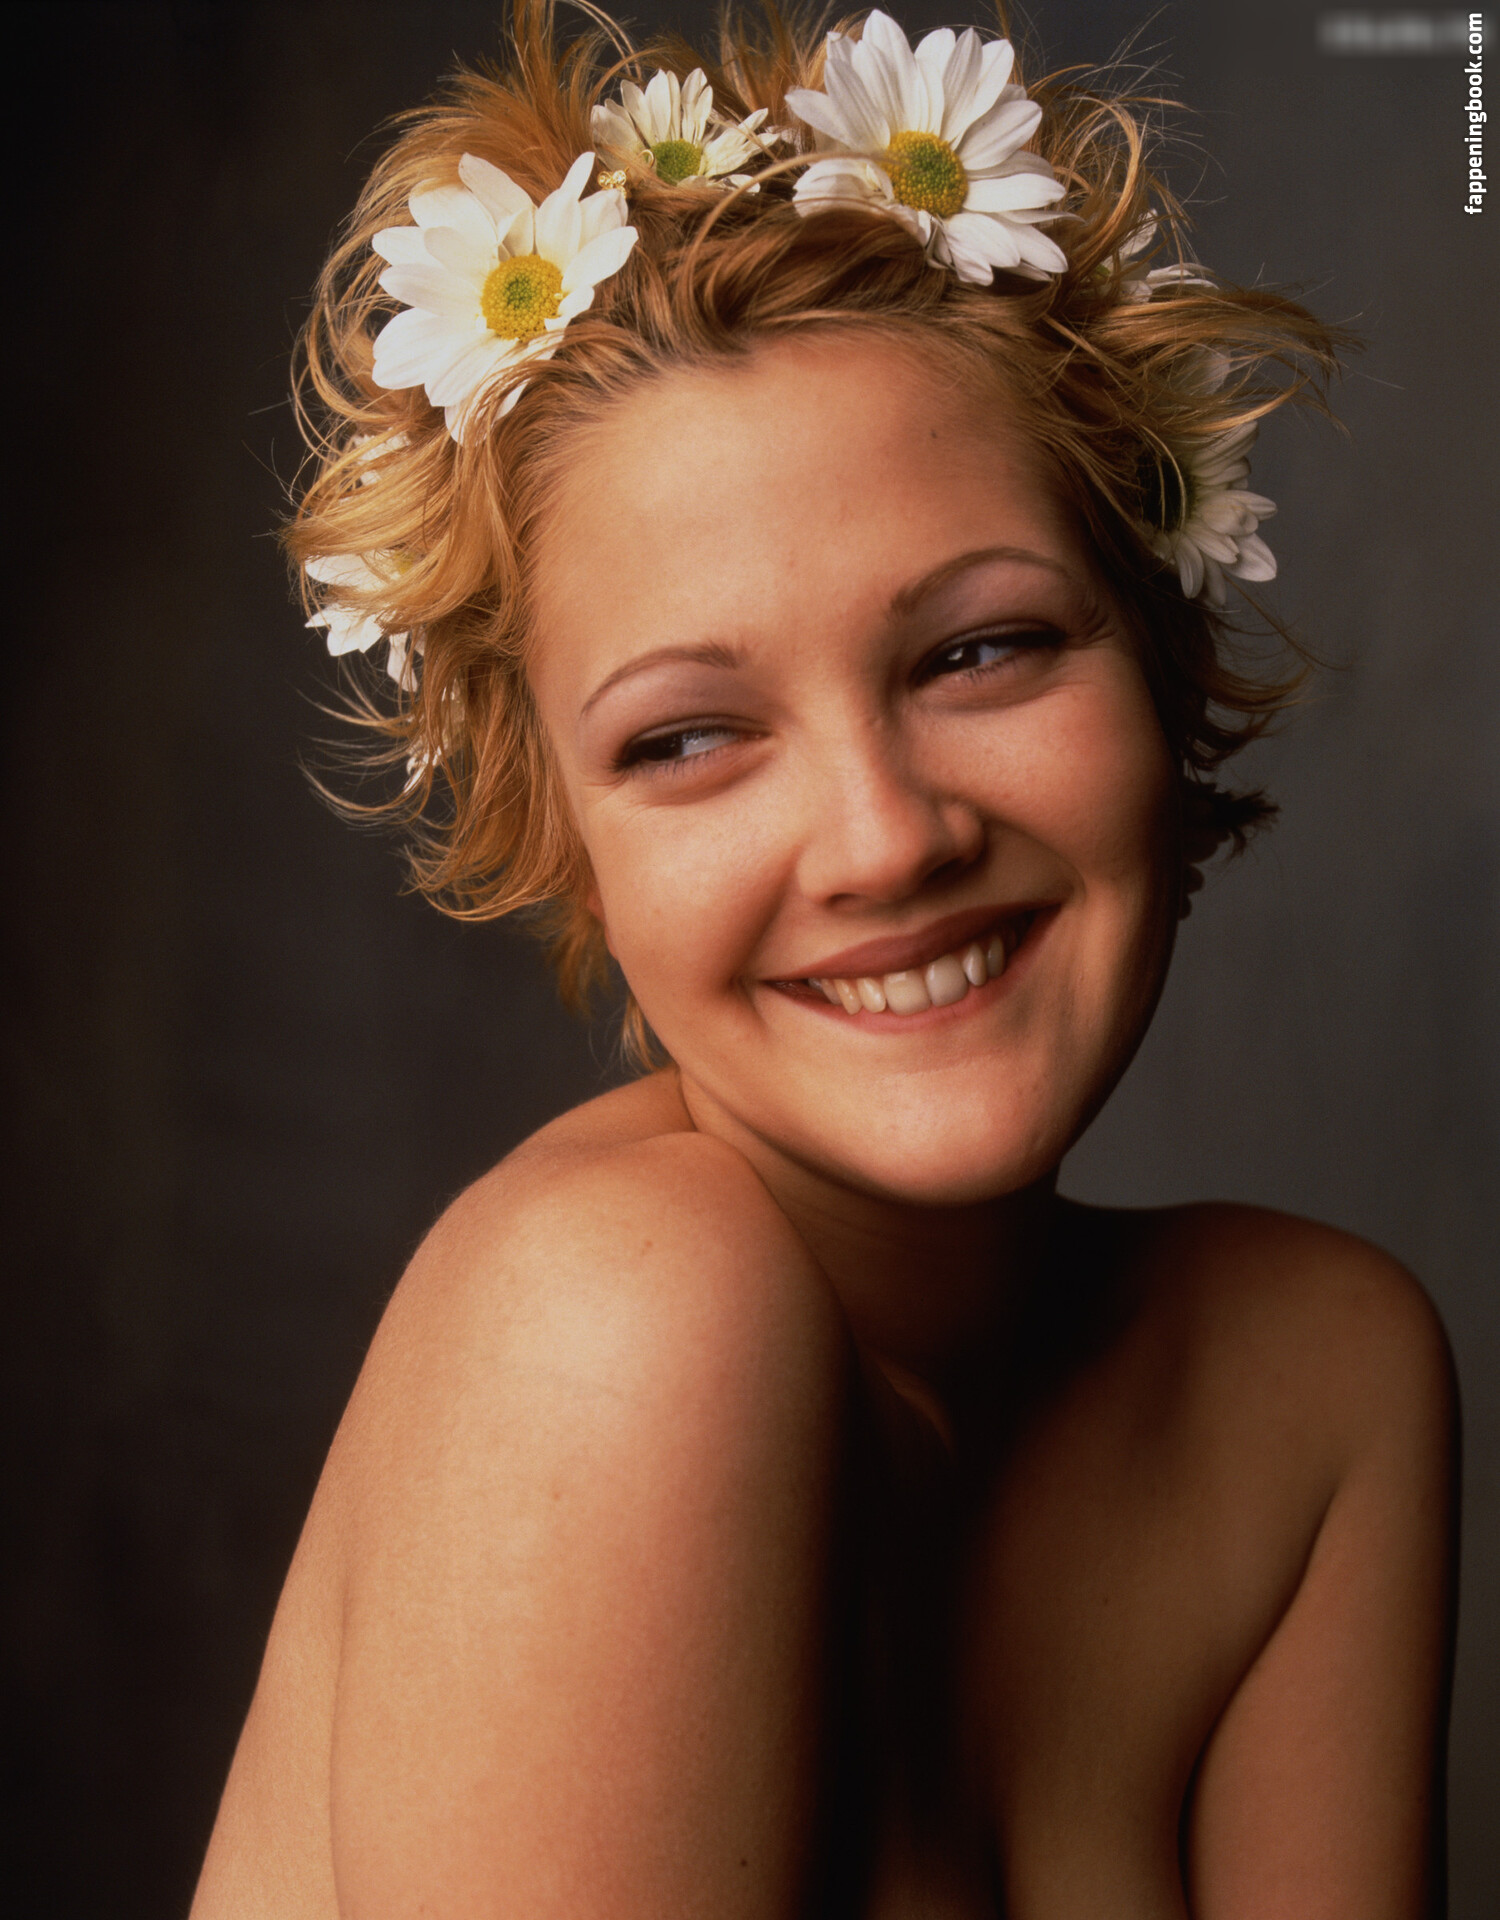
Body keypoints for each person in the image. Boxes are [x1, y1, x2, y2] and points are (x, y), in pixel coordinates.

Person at [191, 6, 1458, 1913]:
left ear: (1162, 655)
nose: (885, 841)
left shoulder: (1317, 1384)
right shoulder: (621, 1321)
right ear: (562, 834)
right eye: (687, 738)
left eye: (981, 650)